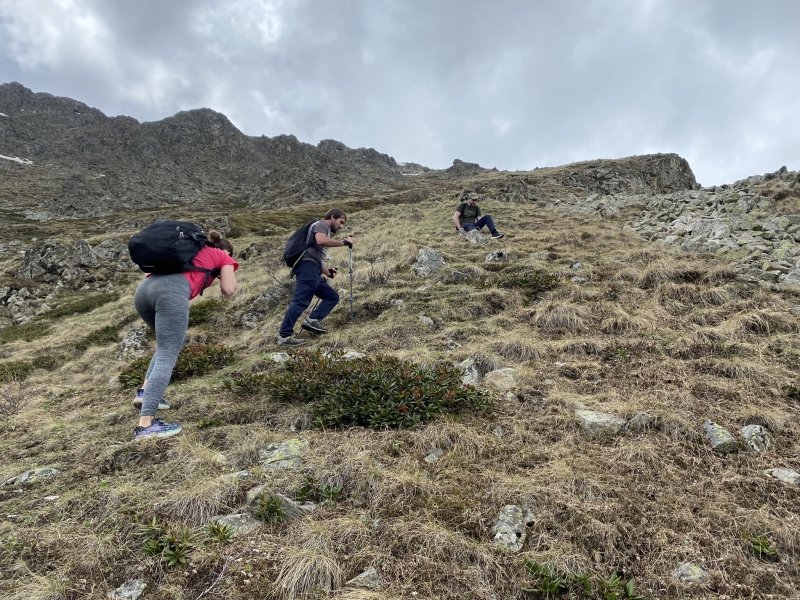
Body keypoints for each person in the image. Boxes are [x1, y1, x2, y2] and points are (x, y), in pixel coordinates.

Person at [131, 230, 238, 441]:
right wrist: (222, 270)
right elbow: (229, 289)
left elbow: (148, 274)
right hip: (171, 293)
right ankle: (146, 426)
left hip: (143, 292)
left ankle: (145, 393)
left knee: (167, 347)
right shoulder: (221, 256)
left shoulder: (186, 251)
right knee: (168, 351)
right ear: (226, 251)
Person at [278, 208, 354, 346]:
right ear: (332, 217)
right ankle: (284, 336)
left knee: (332, 296)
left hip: (313, 269)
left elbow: (314, 255)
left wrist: (327, 272)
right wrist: (344, 243)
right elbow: (320, 241)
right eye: (341, 222)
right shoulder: (321, 225)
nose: (341, 226)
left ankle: (312, 320)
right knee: (300, 301)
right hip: (308, 268)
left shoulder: (323, 229)